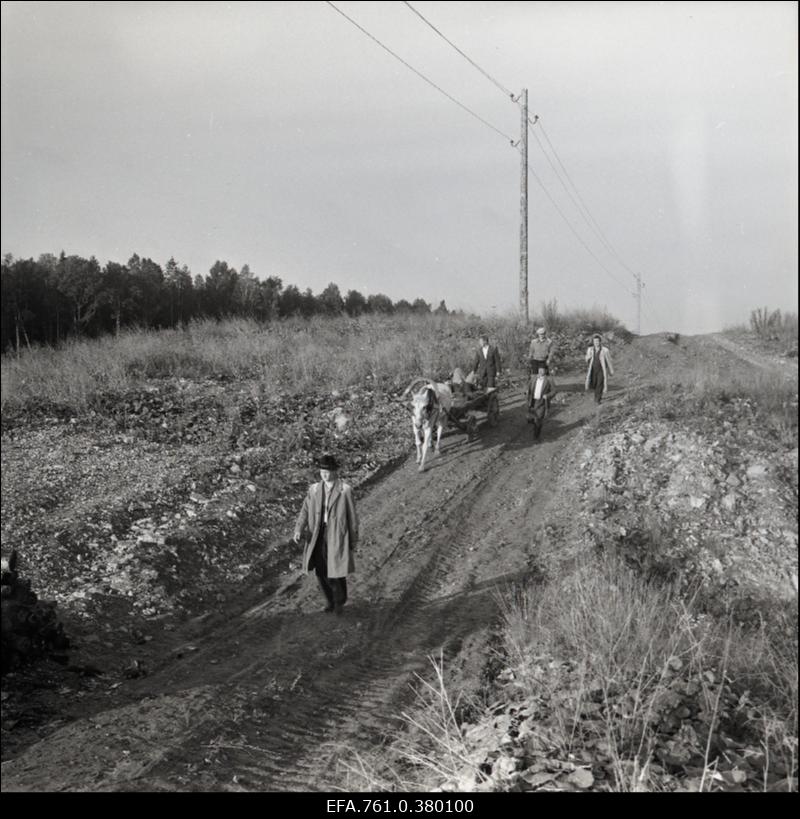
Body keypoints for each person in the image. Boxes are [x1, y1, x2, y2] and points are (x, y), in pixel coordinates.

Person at [293, 453, 359, 615]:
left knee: (336, 568)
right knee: (321, 569)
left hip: (337, 533)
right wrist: (298, 529)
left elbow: (352, 517)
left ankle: (339, 601)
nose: (324, 474)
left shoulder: (345, 490)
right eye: (322, 471)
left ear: (335, 472)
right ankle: (329, 601)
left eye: (328, 471)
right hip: (318, 532)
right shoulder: (314, 489)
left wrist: (353, 539)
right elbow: (305, 510)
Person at [527, 366, 556, 439]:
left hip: (542, 402)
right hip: (533, 401)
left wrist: (548, 395)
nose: (540, 371)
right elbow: (528, 386)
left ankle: (536, 436)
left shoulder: (549, 380)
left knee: (539, 418)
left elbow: (554, 391)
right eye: (539, 369)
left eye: (542, 370)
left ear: (546, 371)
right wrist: (527, 392)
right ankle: (535, 426)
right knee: (531, 418)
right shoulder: (533, 378)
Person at [584, 333, 614, 404]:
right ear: (593, 342)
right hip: (593, 369)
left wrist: (610, 370)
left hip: (601, 369)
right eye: (595, 341)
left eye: (597, 341)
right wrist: (588, 358)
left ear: (600, 342)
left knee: (600, 383)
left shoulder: (605, 350)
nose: (596, 343)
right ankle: (596, 396)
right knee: (594, 383)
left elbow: (609, 360)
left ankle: (598, 399)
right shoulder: (590, 350)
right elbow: (586, 358)